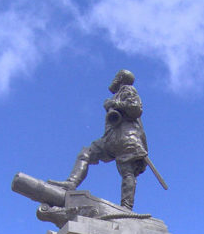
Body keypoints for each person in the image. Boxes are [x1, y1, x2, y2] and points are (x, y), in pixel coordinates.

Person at [54, 69, 148, 210]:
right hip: (113, 138)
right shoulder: (119, 94)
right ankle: (72, 183)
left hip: (126, 139)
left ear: (120, 78)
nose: (114, 80)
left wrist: (114, 104)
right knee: (89, 153)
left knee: (124, 170)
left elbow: (136, 109)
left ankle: (126, 208)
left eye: (116, 77)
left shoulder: (128, 90)